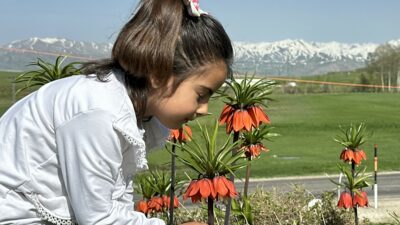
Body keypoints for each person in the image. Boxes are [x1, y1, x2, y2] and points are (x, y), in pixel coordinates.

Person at [0, 0, 233, 224]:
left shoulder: (129, 108)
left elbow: (116, 200)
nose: (204, 109)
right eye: (201, 95)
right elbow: (98, 219)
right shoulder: (100, 113)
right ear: (158, 74)